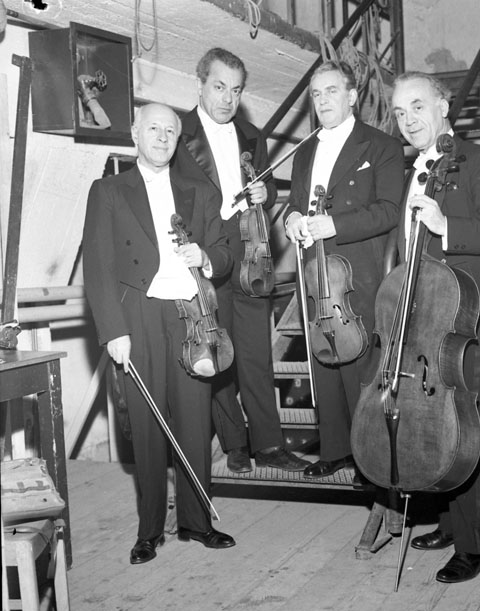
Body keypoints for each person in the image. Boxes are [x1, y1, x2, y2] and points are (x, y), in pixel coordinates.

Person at [83, 103, 236, 565]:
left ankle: (197, 522)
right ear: (135, 133)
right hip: (138, 315)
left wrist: (205, 257)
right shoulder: (108, 190)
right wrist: (113, 330)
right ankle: (149, 530)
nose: (163, 137)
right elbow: (98, 266)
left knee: (194, 419)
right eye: (153, 128)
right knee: (147, 427)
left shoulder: (199, 190)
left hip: (190, 315)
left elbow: (226, 250)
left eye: (170, 130)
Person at [390, 71, 480, 583]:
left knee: (465, 428)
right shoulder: (414, 171)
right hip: (426, 318)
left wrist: (447, 227)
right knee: (434, 422)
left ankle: (474, 546)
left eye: (418, 106)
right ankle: (449, 523)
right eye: (399, 112)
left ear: (444, 107)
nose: (408, 120)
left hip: (470, 321)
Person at [171, 47, 307, 474]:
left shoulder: (252, 135)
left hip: (251, 253)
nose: (228, 98)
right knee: (218, 351)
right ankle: (235, 444)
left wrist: (267, 195)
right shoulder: (176, 132)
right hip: (206, 255)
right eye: (219, 87)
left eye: (236, 90)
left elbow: (264, 190)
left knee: (255, 355)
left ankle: (269, 444)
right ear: (199, 85)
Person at [284, 61, 404, 479]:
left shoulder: (381, 146)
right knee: (323, 362)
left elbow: (389, 210)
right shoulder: (305, 149)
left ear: (352, 96)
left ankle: (367, 457)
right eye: (316, 94)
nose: (323, 101)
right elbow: (295, 202)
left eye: (332, 91)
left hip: (357, 274)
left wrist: (335, 224)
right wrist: (292, 219)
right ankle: (334, 449)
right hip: (314, 271)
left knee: (359, 366)